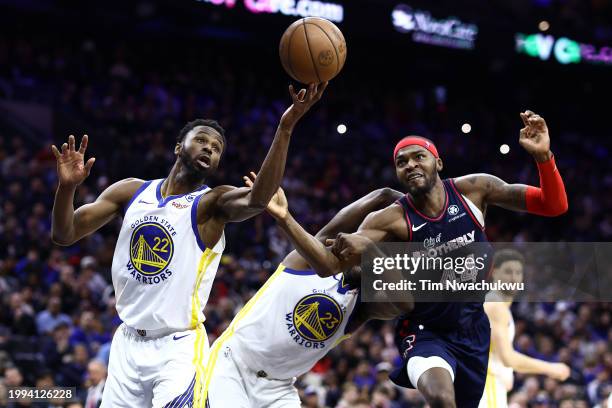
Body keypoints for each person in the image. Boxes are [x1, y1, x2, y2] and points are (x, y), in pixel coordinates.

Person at [50, 82, 327, 408]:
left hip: (176, 347)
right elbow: (64, 234)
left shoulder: (211, 203)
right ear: (178, 147)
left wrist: (286, 126)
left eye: (217, 147)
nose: (210, 148)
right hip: (126, 340)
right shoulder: (130, 191)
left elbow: (259, 198)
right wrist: (66, 188)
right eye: (201, 140)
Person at [270, 110, 568, 407]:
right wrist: (295, 224)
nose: (410, 164)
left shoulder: (475, 190)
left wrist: (544, 158)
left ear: (438, 162)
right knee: (440, 397)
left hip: (473, 331)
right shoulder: (390, 219)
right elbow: (338, 262)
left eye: (418, 157)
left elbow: (553, 205)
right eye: (402, 162)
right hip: (424, 330)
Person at [204, 173, 411, 407]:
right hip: (233, 364)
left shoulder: (364, 308)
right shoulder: (311, 261)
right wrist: (399, 201)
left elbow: (405, 302)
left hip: (278, 388)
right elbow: (378, 197)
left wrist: (376, 251)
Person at [478, 249, 570, 408]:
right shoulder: (495, 305)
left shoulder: (498, 305)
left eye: (518, 272)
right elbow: (508, 358)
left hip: (490, 384)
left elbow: (494, 353)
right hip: (487, 385)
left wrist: (505, 373)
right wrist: (551, 368)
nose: (513, 278)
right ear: (494, 273)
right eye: (508, 272)